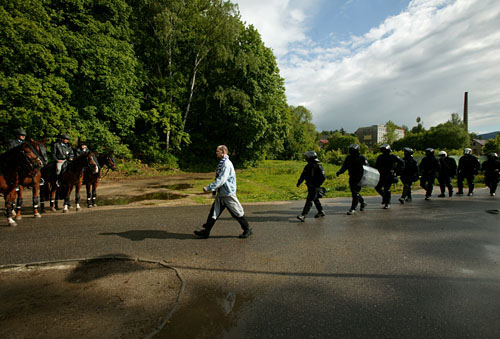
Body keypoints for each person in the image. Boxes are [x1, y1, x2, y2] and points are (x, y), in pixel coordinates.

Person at [194, 145, 252, 239]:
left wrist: (209, 188)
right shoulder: (223, 163)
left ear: (223, 152)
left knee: (236, 212)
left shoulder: (226, 164)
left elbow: (221, 180)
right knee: (214, 212)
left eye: (218, 151)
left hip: (227, 194)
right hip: (222, 193)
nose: (216, 153)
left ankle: (247, 229)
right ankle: (206, 231)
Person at [336, 143, 368, 215]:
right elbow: (344, 166)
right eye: (350, 150)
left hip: (360, 178)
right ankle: (362, 202)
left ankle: (353, 208)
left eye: (352, 150)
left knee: (355, 193)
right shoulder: (348, 158)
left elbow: (367, 168)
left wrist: (365, 177)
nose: (351, 152)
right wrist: (340, 172)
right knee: (354, 192)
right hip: (352, 177)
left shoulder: (362, 158)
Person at [296, 151, 326, 221]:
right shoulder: (307, 166)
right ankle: (321, 211)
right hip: (309, 185)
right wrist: (299, 182)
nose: (306, 158)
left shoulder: (318, 166)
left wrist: (318, 184)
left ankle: (303, 215)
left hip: (315, 186)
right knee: (315, 199)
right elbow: (303, 175)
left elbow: (323, 177)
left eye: (307, 157)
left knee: (309, 200)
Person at [374, 144, 404, 209]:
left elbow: (401, 162)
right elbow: (376, 166)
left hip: (389, 175)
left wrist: (396, 171)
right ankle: (385, 197)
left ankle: (387, 203)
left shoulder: (392, 156)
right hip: (382, 175)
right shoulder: (380, 157)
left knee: (386, 189)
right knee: (378, 187)